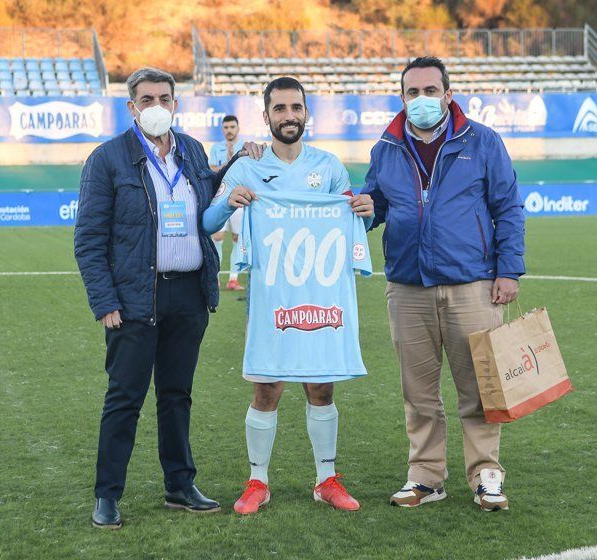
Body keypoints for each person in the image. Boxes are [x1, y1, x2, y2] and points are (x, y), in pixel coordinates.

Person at [74, 67, 262, 529]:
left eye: (164, 98)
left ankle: (179, 484)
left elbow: (211, 192)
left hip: (188, 295)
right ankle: (107, 494)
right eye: (146, 99)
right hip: (135, 297)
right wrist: (105, 301)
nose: (156, 106)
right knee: (125, 398)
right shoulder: (107, 159)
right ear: (131, 107)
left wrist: (243, 159)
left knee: (177, 395)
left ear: (176, 103)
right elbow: (88, 238)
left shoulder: (192, 151)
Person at [202, 77, 374, 515]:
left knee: (321, 387)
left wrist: (364, 212)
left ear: (306, 114)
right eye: (280, 109)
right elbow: (207, 220)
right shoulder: (246, 167)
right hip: (271, 299)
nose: (289, 116)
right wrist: (229, 204)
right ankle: (257, 481)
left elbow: (350, 217)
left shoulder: (330, 167)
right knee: (267, 387)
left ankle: (326, 479)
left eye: (296, 107)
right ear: (266, 117)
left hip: (321, 296)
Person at [361, 57, 526, 511]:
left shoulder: (483, 141)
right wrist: (365, 208)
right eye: (412, 93)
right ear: (402, 98)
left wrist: (508, 271)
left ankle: (486, 474)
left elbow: (508, 208)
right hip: (407, 286)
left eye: (429, 90)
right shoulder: (386, 148)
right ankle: (426, 477)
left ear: (448, 95)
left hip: (472, 283)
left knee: (479, 387)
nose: (421, 100)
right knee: (418, 392)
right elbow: (377, 203)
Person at [208, 115, 246, 291]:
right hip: (220, 197)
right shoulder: (216, 148)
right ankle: (214, 278)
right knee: (217, 237)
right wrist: (228, 165)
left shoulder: (246, 147)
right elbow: (212, 169)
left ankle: (233, 279)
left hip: (240, 198)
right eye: (226, 127)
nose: (229, 130)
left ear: (238, 128)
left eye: (232, 127)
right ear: (222, 129)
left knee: (238, 237)